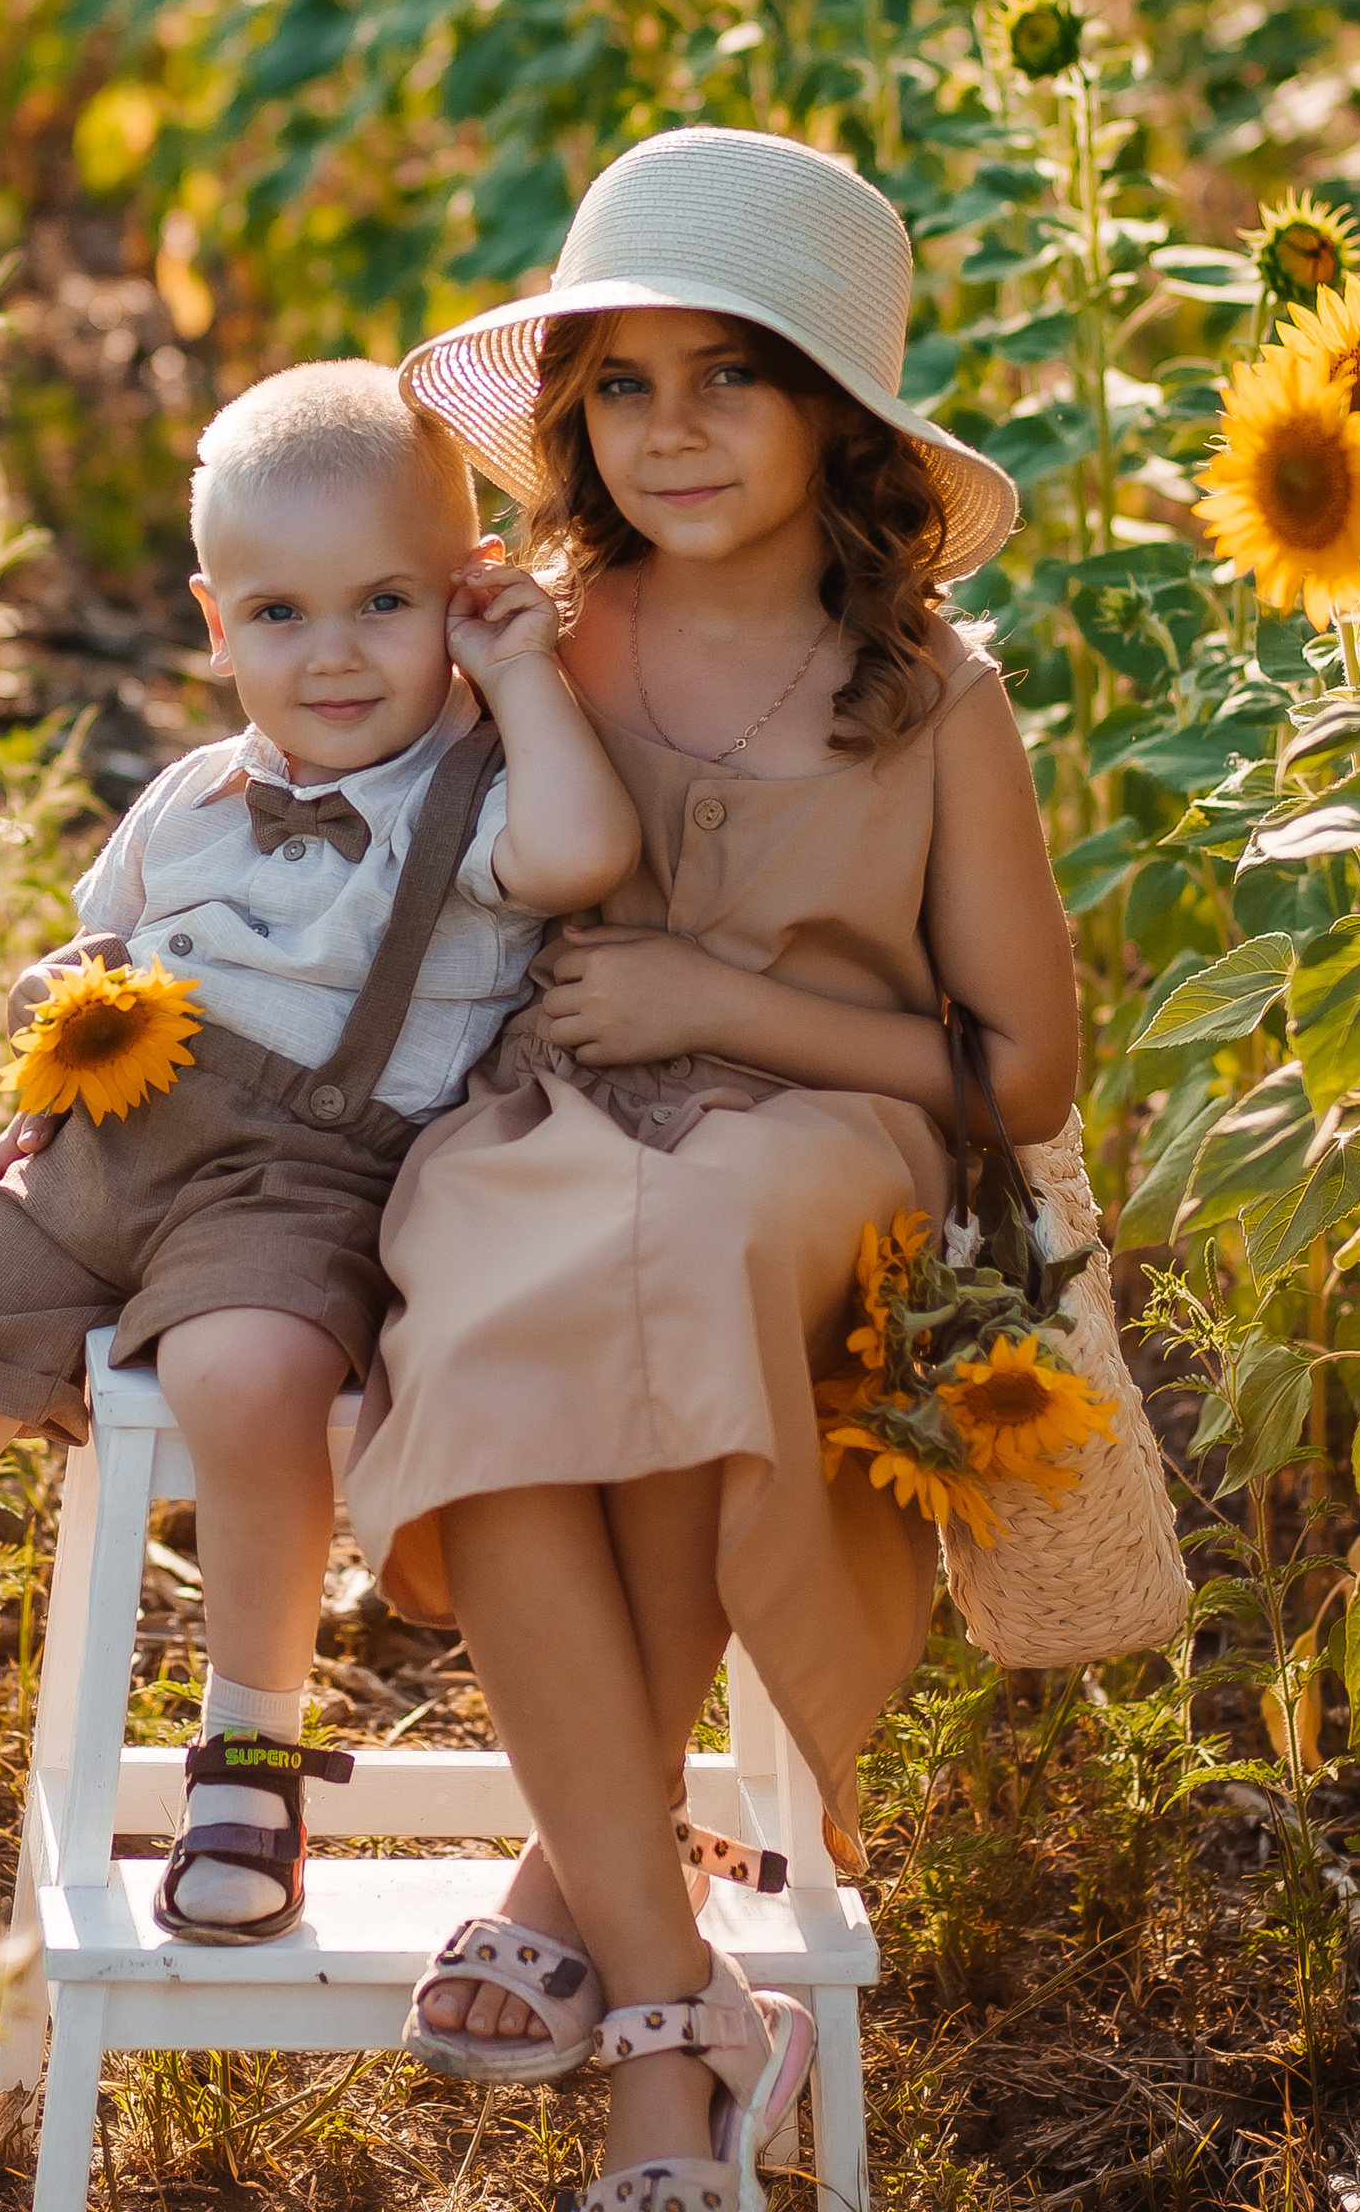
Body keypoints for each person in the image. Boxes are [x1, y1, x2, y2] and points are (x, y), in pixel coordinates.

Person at [345, 128, 1078, 2212]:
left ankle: (586, 1933)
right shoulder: (543, 640)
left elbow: (1015, 1070)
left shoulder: (931, 697)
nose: (666, 429)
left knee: (703, 1253)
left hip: (822, 1127)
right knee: (490, 1312)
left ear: (836, 416)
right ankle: (673, 1992)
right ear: (571, 413)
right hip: (550, 1113)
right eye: (622, 380)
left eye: (727, 375)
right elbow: (318, 830)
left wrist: (717, 998)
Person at [0, 358, 639, 1951]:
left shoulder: (474, 789)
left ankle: (252, 1748)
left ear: (465, 596)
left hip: (305, 1177)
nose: (331, 655)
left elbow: (581, 854)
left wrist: (527, 679)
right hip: (112, 1146)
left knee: (246, 1380)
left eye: (385, 605)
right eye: (279, 615)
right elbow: (95, 947)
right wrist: (58, 1014)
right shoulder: (195, 795)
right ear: (215, 621)